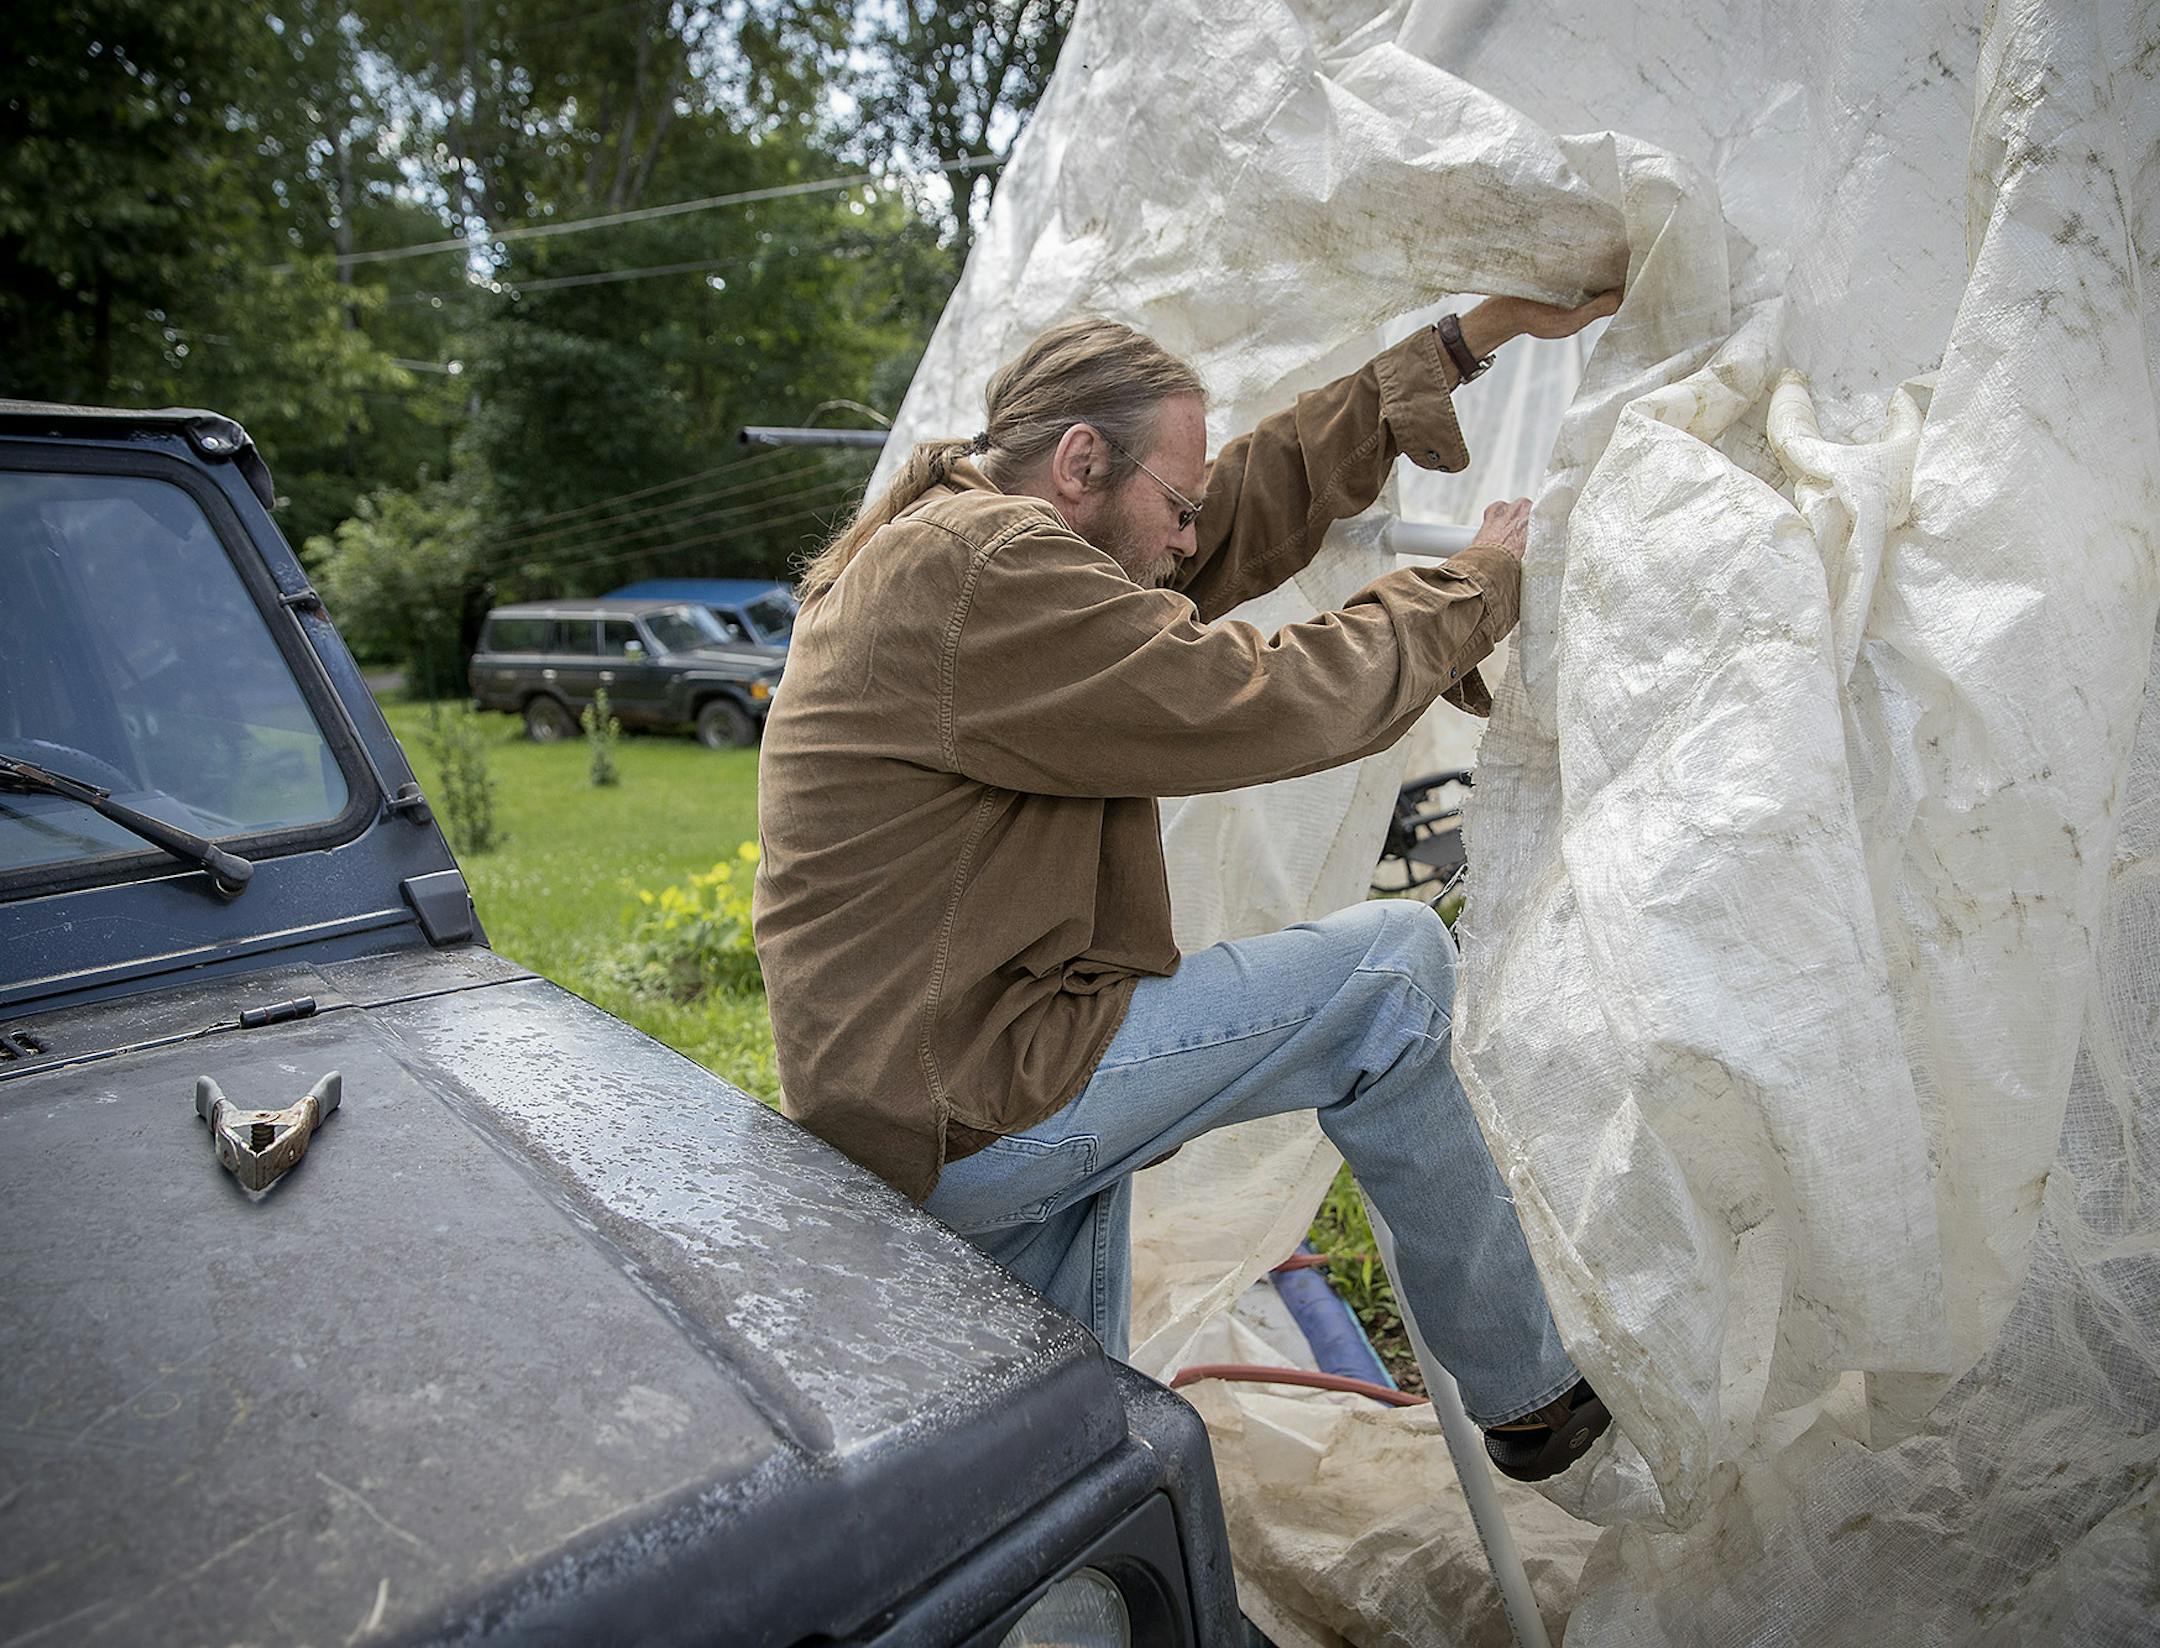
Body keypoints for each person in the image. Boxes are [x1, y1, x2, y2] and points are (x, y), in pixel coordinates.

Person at [753, 290, 1619, 1480]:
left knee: (1053, 1473)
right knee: (1394, 973)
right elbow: (1252, 696)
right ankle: (1532, 1394)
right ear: (1079, 463)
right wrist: (1476, 585)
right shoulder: (981, 570)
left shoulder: (965, 549)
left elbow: (1218, 528)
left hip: (916, 1109)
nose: (1181, 541)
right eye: (1172, 502)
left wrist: (1458, 348)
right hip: (974, 1096)